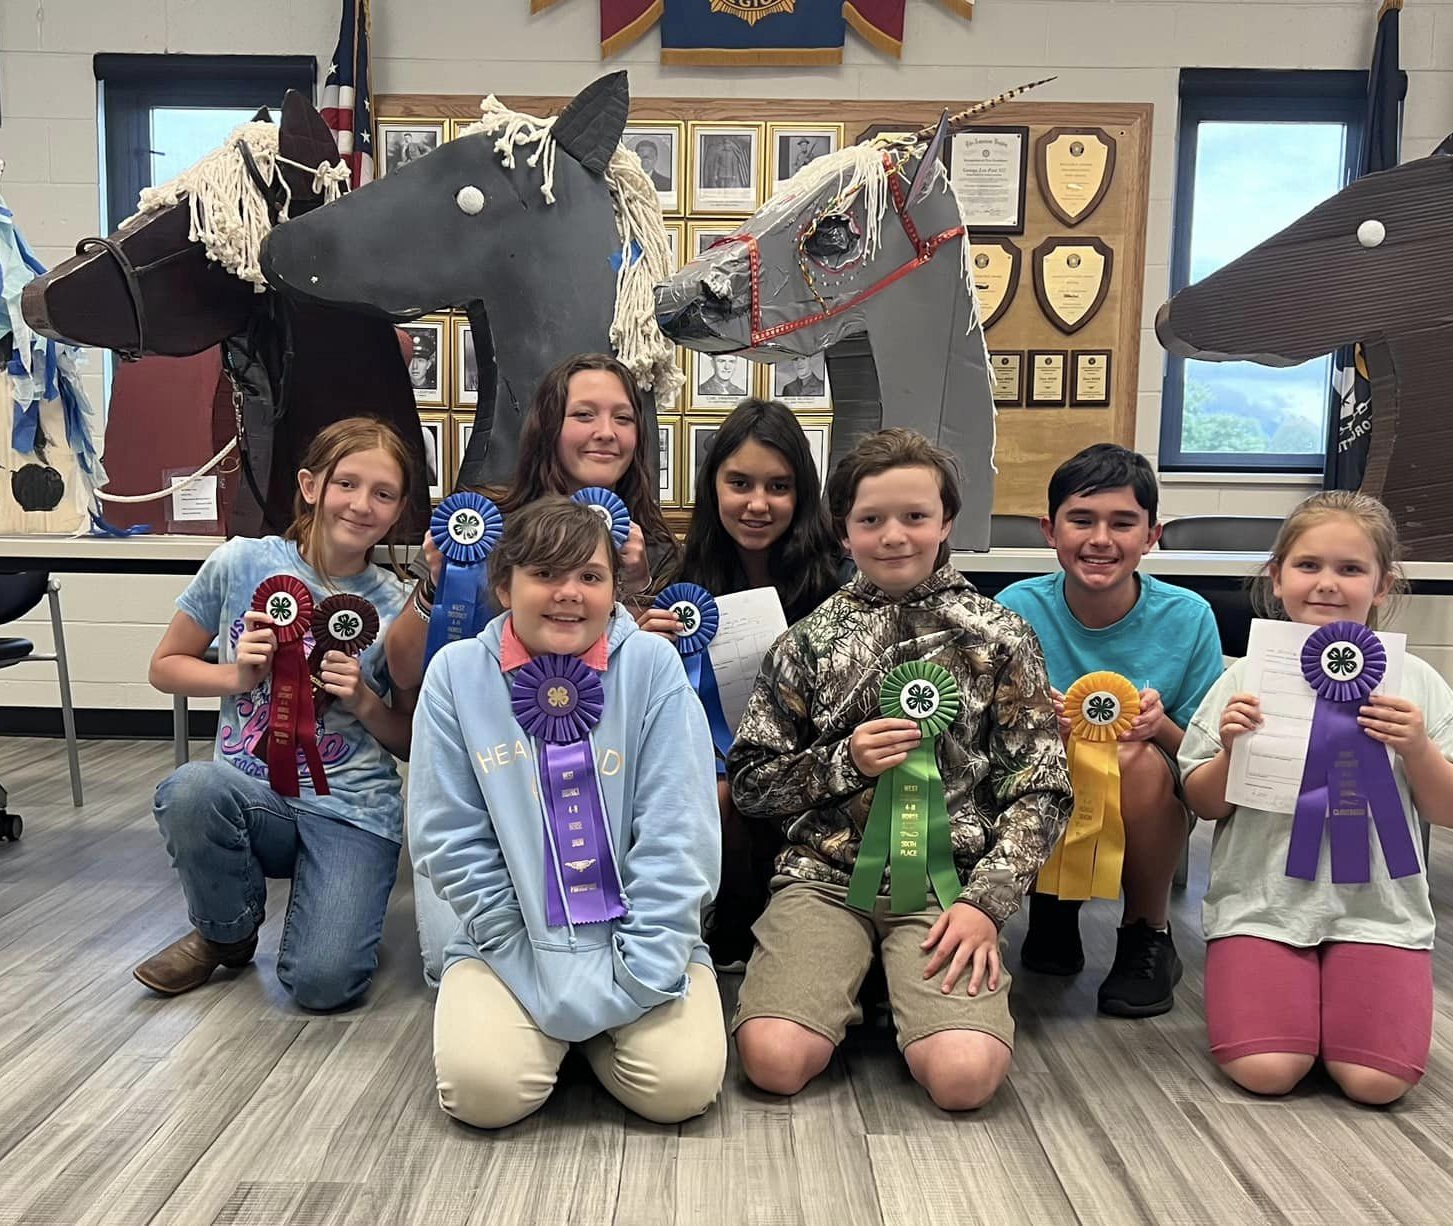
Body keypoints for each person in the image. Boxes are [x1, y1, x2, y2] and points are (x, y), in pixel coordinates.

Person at [726, 428, 1072, 1111]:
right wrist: (840, 763)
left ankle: (897, 982)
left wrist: (986, 904)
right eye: (871, 519)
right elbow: (751, 783)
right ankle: (850, 978)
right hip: (825, 880)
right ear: (842, 529)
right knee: (774, 1063)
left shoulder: (1000, 636)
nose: (894, 536)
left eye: (915, 517)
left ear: (946, 522)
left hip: (946, 890)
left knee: (964, 1078)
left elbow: (1042, 788)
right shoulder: (807, 641)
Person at [409, 496, 725, 1128]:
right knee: (484, 1094)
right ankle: (559, 1033)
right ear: (503, 585)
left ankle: (579, 1031)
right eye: (545, 574)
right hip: (509, 945)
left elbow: (678, 832)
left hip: (641, 941)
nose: (568, 594)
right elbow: (448, 837)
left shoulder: (654, 667)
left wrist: (643, 970)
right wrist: (529, 965)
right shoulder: (455, 674)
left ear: (615, 589)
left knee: (680, 1088)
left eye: (589, 576)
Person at [1180, 491, 1453, 1105]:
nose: (1326, 583)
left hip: (1380, 912)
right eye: (1308, 565)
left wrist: (1420, 749)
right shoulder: (1244, 677)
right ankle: (1293, 1002)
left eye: (1350, 569)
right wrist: (1232, 753)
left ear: (1382, 585)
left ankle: (1342, 1000)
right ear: (1277, 576)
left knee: (1377, 1083)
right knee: (1268, 1071)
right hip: (1262, 908)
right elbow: (1204, 802)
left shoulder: (1415, 681)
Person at [393, 353, 681, 983]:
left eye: (624, 417)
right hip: (483, 782)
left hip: (603, 787)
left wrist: (634, 592)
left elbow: (644, 691)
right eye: (584, 414)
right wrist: (437, 587)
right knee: (455, 966)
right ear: (550, 425)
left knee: (622, 943)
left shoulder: (654, 543)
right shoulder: (480, 525)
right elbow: (403, 670)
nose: (606, 431)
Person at [135, 419, 419, 1009]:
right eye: (347, 484)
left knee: (324, 985)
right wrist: (235, 676)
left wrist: (365, 700)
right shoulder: (240, 564)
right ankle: (226, 933)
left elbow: (410, 739)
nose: (361, 505)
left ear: (398, 510)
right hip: (251, 793)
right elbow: (165, 667)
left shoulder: (396, 606)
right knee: (190, 789)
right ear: (311, 486)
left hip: (351, 809)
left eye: (383, 493)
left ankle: (336, 913)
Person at [997, 444, 1224, 1018]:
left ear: (1152, 536)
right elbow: (986, 735)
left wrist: (1160, 726)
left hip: (1150, 786)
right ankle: (1053, 906)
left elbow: (1203, 752)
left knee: (1134, 760)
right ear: (1050, 531)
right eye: (1082, 520)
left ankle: (1146, 933)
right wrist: (1027, 716)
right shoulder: (1012, 607)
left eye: (1123, 523)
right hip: (1039, 778)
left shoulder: (1190, 616)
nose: (1101, 539)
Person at [638, 399, 845, 967]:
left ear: (802, 494)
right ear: (713, 488)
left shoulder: (837, 584)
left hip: (814, 759)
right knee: (721, 790)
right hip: (714, 765)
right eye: (740, 483)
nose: (758, 504)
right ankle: (720, 922)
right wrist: (648, 653)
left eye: (779, 486)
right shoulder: (679, 584)